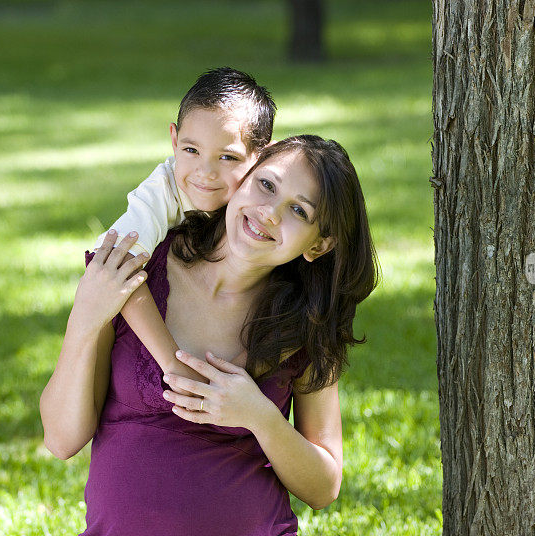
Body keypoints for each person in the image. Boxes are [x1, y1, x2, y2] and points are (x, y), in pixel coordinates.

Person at [40, 135, 378, 535]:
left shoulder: (307, 325)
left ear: (319, 245)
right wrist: (84, 321)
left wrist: (259, 417)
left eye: (298, 211)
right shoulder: (140, 270)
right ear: (243, 177)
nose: (269, 212)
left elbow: (324, 487)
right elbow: (62, 440)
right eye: (266, 185)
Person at [97, 67, 277, 388]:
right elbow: (115, 263)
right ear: (174, 140)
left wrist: (236, 372)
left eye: (227, 157)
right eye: (191, 150)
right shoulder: (163, 189)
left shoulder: (266, 203)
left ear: (261, 157)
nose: (204, 172)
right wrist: (172, 362)